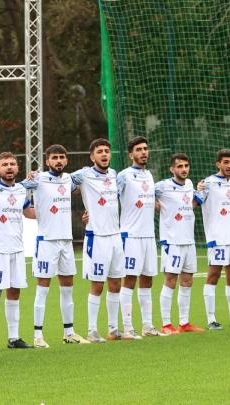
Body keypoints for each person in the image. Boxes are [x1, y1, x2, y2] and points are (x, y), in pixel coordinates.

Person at [20, 145, 90, 347]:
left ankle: (69, 333)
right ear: (47, 161)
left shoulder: (69, 179)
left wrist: (90, 211)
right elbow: (16, 190)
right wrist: (28, 208)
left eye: (61, 157)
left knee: (68, 288)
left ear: (66, 160)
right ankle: (37, 336)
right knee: (42, 288)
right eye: (54, 157)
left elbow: (89, 178)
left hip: (66, 241)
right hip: (46, 241)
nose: (58, 160)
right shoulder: (38, 178)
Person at [71, 138, 125, 343]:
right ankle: (92, 330)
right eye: (99, 151)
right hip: (97, 237)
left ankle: (113, 329)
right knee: (97, 284)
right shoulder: (84, 174)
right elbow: (61, 185)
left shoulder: (114, 174)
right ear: (92, 157)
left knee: (115, 283)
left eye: (106, 151)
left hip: (115, 236)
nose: (104, 154)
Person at [0, 152, 34, 351]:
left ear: (17, 168)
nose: (9, 167)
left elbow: (29, 212)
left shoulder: (21, 190)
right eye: (5, 164)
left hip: (17, 249)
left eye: (12, 164)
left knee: (14, 292)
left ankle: (13, 338)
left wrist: (54, 210)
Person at [116, 136, 162, 339]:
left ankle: (147, 326)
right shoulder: (124, 176)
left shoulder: (149, 175)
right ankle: (128, 328)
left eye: (145, 149)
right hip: (131, 235)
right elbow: (110, 197)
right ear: (131, 154)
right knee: (129, 280)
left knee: (147, 279)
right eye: (139, 149)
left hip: (148, 236)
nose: (143, 152)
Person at [156, 153, 204, 334]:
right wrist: (156, 205)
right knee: (170, 280)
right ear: (172, 169)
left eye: (186, 166)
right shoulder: (163, 186)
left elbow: (189, 205)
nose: (184, 169)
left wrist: (199, 193)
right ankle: (166, 324)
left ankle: (184, 323)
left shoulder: (190, 184)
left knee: (187, 280)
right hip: (172, 241)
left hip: (189, 240)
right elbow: (144, 195)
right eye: (180, 166)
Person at [196, 149, 230, 330]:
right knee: (213, 275)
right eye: (225, 162)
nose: (229, 165)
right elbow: (194, 202)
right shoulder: (208, 183)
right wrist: (197, 189)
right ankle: (211, 319)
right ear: (218, 164)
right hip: (217, 238)